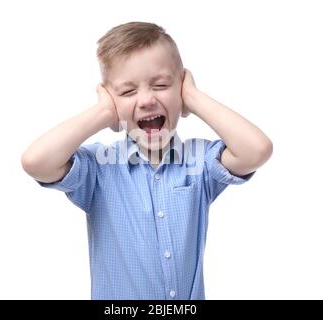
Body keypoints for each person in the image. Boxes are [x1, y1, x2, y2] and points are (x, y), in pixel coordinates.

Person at [21, 21, 273, 300]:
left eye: (162, 85)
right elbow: (36, 161)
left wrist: (193, 97)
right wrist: (104, 112)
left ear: (181, 87)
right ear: (110, 99)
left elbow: (256, 150)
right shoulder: (99, 170)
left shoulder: (199, 163)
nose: (146, 100)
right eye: (127, 92)